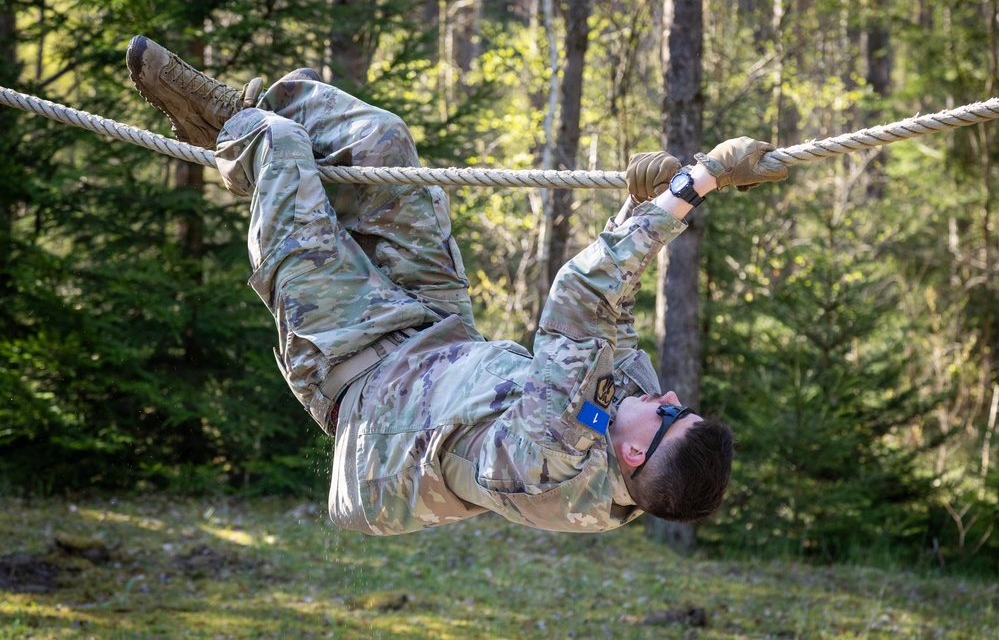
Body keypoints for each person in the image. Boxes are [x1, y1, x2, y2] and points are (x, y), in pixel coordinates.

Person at [126, 35, 787, 536]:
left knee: (281, 148)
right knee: (379, 143)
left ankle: (233, 128)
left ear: (639, 451)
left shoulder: (554, 458)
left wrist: (695, 184)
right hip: (433, 333)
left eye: (672, 413)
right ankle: (229, 120)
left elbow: (578, 300)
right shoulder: (623, 440)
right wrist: (636, 214)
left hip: (355, 374)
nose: (667, 395)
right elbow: (612, 326)